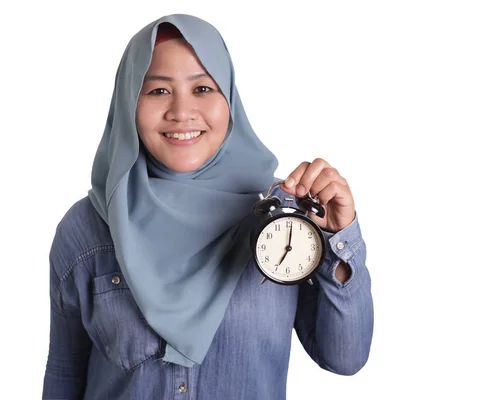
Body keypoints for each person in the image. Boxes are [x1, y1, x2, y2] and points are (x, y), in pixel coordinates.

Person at [42, 13, 373, 400]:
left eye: (202, 89)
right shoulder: (87, 229)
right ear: (128, 101)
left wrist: (339, 237)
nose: (182, 112)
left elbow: (345, 357)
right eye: (158, 91)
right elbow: (65, 374)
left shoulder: (286, 216)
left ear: (229, 99)